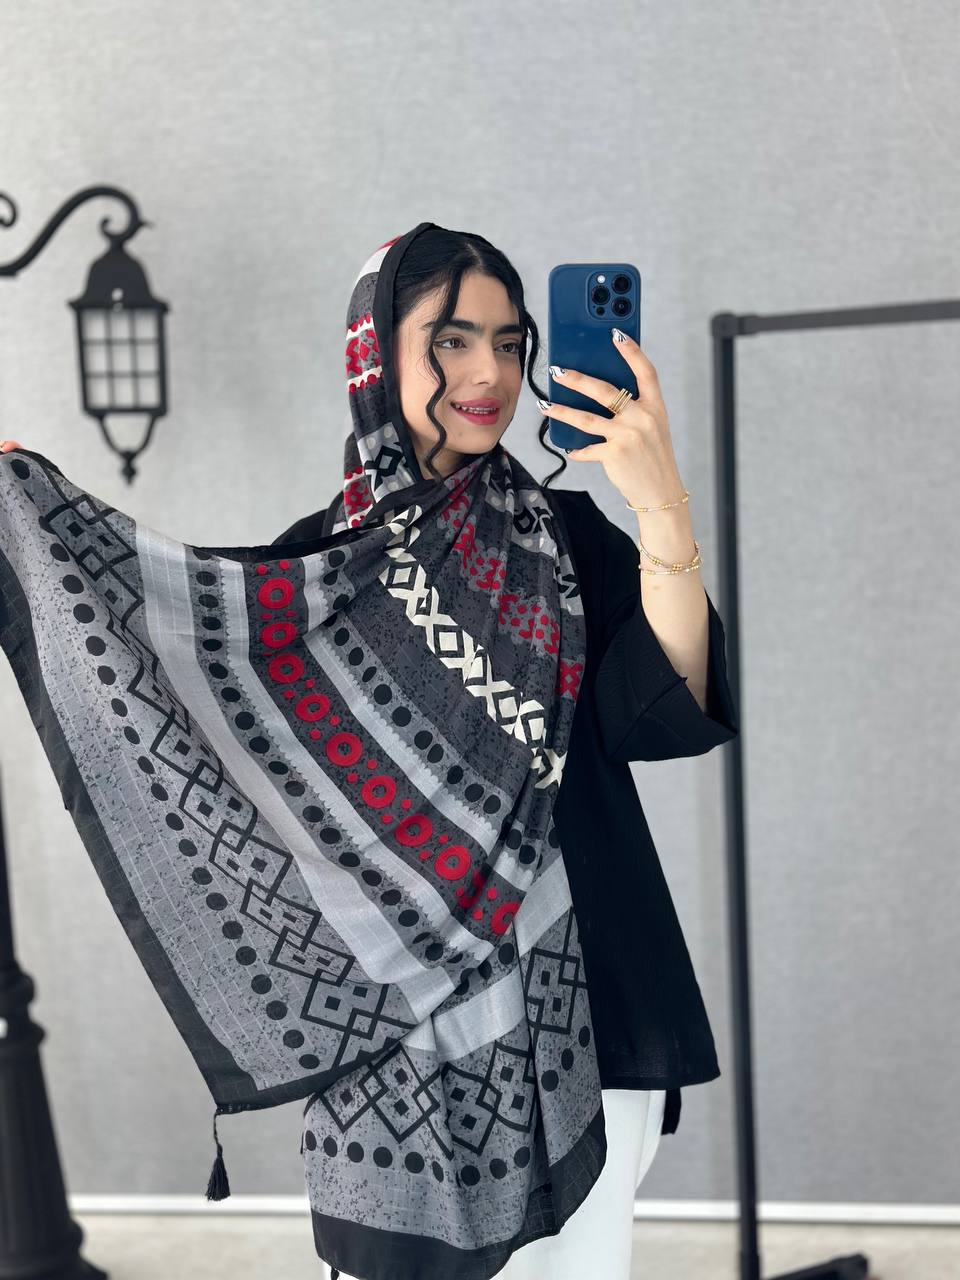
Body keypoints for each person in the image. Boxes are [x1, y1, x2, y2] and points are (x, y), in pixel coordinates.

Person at [0, 221, 737, 1280]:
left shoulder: (570, 540)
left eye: (510, 342)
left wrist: (658, 501)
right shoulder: (311, 573)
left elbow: (668, 710)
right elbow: (178, 675)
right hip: (395, 1061)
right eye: (451, 339)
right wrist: (36, 525)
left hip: (591, 1028)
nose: (490, 373)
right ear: (375, 355)